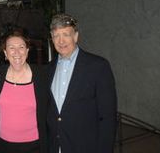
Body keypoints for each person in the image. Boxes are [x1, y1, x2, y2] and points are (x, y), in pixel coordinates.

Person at [47, 14, 117, 153]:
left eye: (66, 34)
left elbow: (108, 117)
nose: (61, 41)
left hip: (86, 147)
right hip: (55, 147)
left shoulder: (98, 66)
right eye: (56, 35)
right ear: (52, 38)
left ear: (76, 36)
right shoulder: (47, 69)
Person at [0, 30, 48, 153]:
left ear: (27, 51)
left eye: (21, 47)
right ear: (5, 53)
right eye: (11, 48)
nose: (17, 52)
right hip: (2, 146)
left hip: (34, 146)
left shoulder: (43, 75)